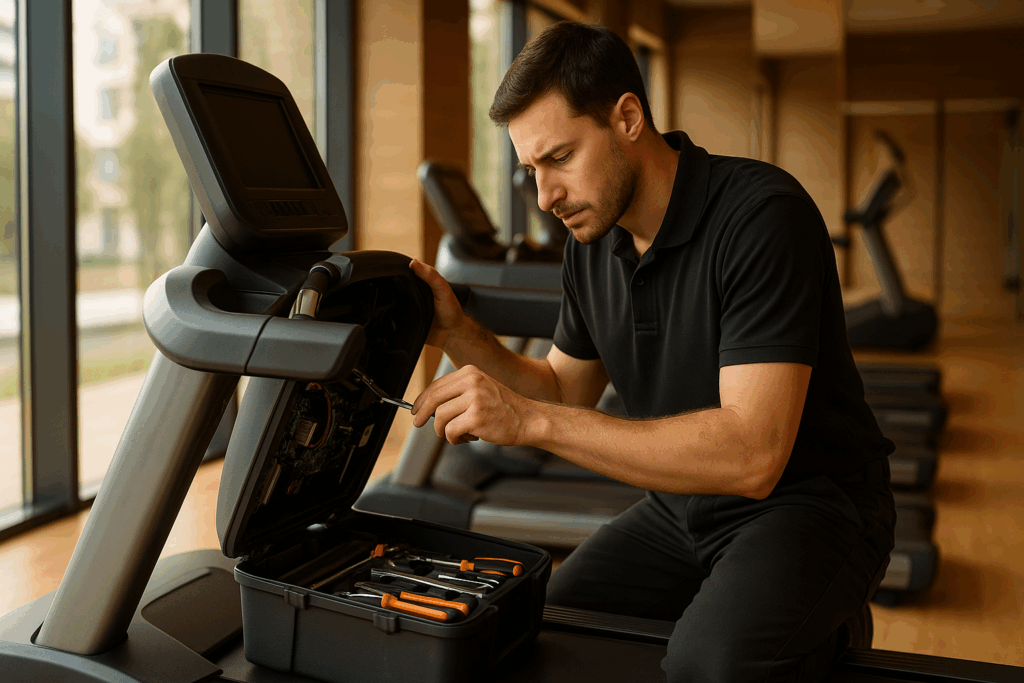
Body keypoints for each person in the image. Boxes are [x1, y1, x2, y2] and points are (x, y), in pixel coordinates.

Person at [408, 20, 896, 683]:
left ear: (629, 117)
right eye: (530, 171)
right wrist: (457, 333)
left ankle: (824, 626)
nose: (545, 197)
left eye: (559, 158)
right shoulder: (590, 249)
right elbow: (559, 389)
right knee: (549, 627)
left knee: (708, 664)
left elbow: (755, 454)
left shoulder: (761, 217)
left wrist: (530, 423)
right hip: (682, 507)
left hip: (814, 505)